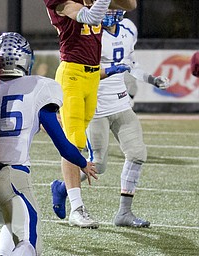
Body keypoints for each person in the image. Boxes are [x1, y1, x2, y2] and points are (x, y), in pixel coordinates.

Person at [0, 32, 98, 256]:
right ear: (25, 60)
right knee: (28, 245)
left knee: (11, 226)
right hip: (11, 179)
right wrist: (83, 163)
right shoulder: (38, 87)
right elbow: (62, 144)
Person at [51, 10, 171, 227]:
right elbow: (84, 69)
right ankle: (62, 187)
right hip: (96, 107)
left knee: (137, 153)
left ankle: (124, 213)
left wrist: (152, 80)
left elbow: (131, 64)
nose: (107, 12)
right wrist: (111, 70)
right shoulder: (88, 32)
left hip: (122, 103)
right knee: (98, 165)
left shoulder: (128, 29)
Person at [43, 0, 137, 228]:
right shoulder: (62, 3)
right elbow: (91, 17)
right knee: (73, 142)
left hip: (93, 76)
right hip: (72, 75)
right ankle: (76, 208)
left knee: (81, 144)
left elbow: (130, 5)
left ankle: (62, 188)